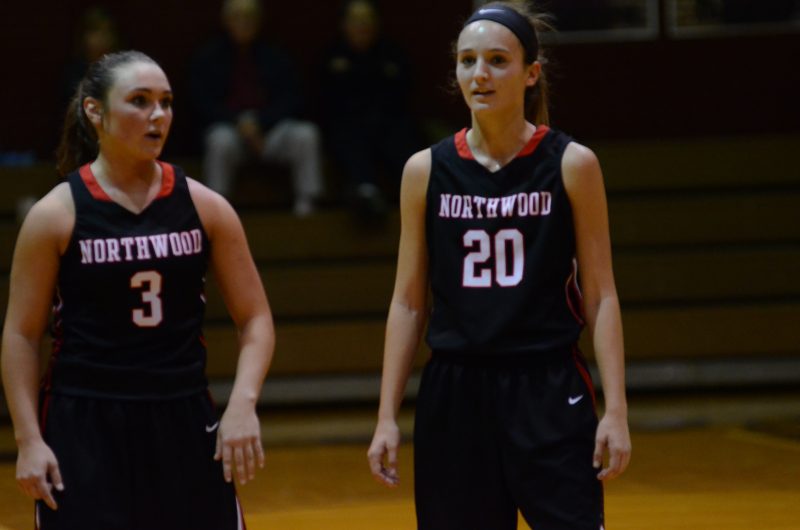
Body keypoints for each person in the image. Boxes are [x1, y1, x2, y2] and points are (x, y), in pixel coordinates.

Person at [366, 2, 631, 529]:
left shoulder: (571, 164)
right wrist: (385, 418)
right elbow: (408, 301)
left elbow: (601, 295)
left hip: (549, 388)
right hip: (456, 395)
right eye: (467, 61)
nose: (479, 74)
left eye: (496, 60)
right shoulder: (426, 170)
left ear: (532, 73)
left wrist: (617, 410)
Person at [1, 50, 275, 529]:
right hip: (84, 424)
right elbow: (21, 335)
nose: (158, 116)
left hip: (183, 416)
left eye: (166, 102)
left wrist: (243, 406)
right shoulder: (55, 216)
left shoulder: (205, 207)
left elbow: (255, 319)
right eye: (140, 101)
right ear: (94, 111)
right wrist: (28, 439)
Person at [188, 0, 324, 216]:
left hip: (270, 131)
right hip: (232, 131)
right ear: (226, 21)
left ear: (259, 21)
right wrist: (239, 123)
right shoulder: (208, 57)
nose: (244, 22)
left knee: (306, 134)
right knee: (219, 140)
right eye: (237, 16)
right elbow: (201, 102)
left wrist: (261, 122)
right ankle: (218, 212)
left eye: (249, 17)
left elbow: (293, 98)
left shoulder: (276, 55)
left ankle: (307, 205)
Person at [320, 0, 421, 219]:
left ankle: (416, 199)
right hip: (349, 126)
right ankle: (365, 192)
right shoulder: (332, 57)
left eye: (366, 20)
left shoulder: (392, 54)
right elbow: (326, 103)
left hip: (388, 124)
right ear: (344, 25)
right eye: (356, 20)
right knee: (348, 133)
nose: (362, 26)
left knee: (404, 133)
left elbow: (404, 96)